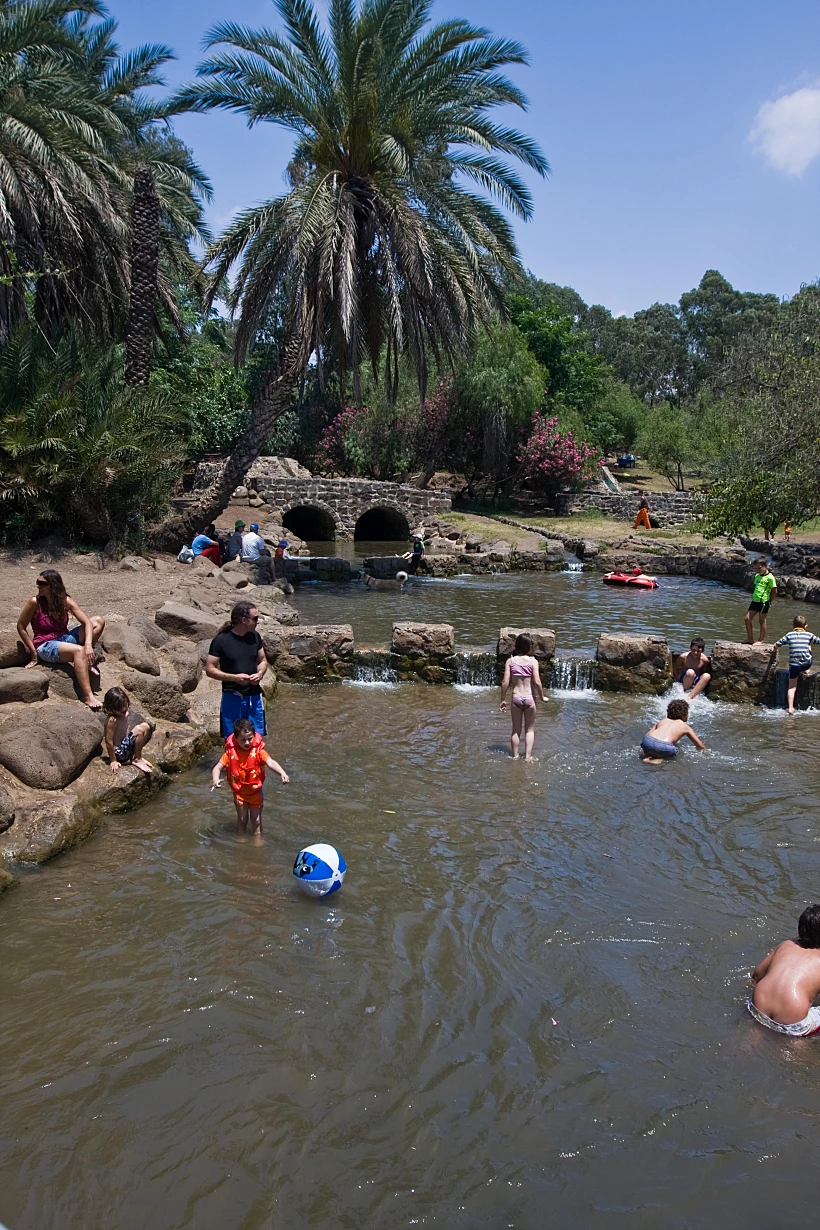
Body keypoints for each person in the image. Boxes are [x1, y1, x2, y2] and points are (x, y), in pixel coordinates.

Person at [17, 569, 105, 710]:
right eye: (37, 582)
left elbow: (87, 622)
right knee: (78, 650)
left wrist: (89, 645)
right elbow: (21, 627)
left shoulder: (65, 600)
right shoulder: (35, 602)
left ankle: (86, 661)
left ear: (53, 585)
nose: (38, 585)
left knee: (98, 621)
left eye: (42, 583)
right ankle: (89, 696)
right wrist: (33, 653)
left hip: (64, 638)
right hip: (45, 644)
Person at [748, 905, 820, 1037]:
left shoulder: (786, 945)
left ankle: (755, 1033)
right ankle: (799, 1043)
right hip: (792, 1024)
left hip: (756, 1008)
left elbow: (757, 975)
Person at [211, 716, 289, 834]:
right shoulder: (229, 754)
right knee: (242, 820)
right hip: (240, 793)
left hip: (255, 792)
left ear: (254, 736)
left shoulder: (259, 752)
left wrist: (282, 772)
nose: (247, 742)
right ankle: (241, 842)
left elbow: (270, 762)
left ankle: (257, 842)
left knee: (256, 821)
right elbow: (217, 767)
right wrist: (215, 779)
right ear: (236, 739)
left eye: (250, 738)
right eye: (243, 740)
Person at [206, 600, 268, 737]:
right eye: (255, 618)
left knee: (256, 740)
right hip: (232, 697)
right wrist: (234, 678)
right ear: (244, 620)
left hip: (254, 697)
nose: (258, 622)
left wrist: (260, 674)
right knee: (232, 739)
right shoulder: (221, 640)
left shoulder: (255, 637)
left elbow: (263, 660)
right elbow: (210, 669)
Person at [499, 633, 547, 761]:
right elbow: (537, 682)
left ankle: (514, 757)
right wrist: (542, 697)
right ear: (528, 647)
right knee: (529, 730)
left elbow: (505, 682)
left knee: (515, 730)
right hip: (529, 697)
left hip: (516, 698)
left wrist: (502, 699)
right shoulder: (533, 662)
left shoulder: (511, 661)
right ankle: (527, 757)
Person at [774, 615, 820, 715]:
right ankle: (806, 669)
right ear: (805, 626)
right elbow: (819, 641)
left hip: (794, 665)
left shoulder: (789, 635)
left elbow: (778, 644)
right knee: (809, 644)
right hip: (807, 663)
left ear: (793, 625)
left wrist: (774, 649)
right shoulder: (809, 635)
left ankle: (790, 708)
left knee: (792, 687)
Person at [102, 687, 153, 775]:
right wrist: (113, 760)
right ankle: (137, 759)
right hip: (119, 753)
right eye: (120, 707)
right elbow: (108, 741)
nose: (124, 708)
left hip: (126, 749)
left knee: (146, 726)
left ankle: (137, 756)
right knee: (139, 730)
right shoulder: (112, 720)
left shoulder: (124, 713)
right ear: (112, 707)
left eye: (125, 705)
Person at [640, 699, 706, 763]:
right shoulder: (684, 726)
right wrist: (705, 751)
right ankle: (657, 760)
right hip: (663, 747)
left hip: (647, 741)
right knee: (676, 751)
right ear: (684, 715)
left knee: (653, 748)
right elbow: (699, 745)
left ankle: (648, 756)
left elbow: (648, 735)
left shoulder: (663, 721)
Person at [745, 557, 777, 644]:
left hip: (764, 602)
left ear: (765, 566)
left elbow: (774, 591)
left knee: (762, 620)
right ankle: (750, 638)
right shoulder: (757, 576)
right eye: (756, 568)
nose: (757, 570)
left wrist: (770, 601)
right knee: (747, 619)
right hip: (755, 601)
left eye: (759, 568)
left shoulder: (770, 577)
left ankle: (761, 640)